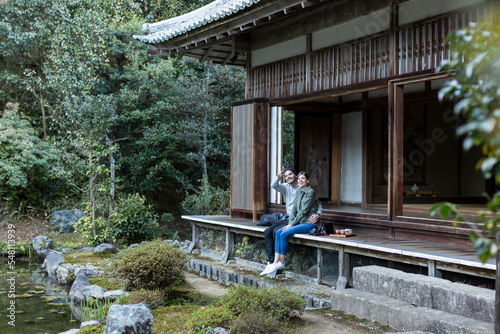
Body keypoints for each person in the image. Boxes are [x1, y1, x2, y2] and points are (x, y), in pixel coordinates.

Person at [259, 167, 321, 275]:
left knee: (281, 232)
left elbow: (314, 206)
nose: (288, 177)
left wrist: (318, 214)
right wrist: (279, 176)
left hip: (306, 222)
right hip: (292, 218)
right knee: (273, 231)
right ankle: (273, 262)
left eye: (291, 175)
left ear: (305, 180)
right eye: (286, 175)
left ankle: (280, 262)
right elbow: (294, 210)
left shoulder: (309, 191)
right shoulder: (295, 190)